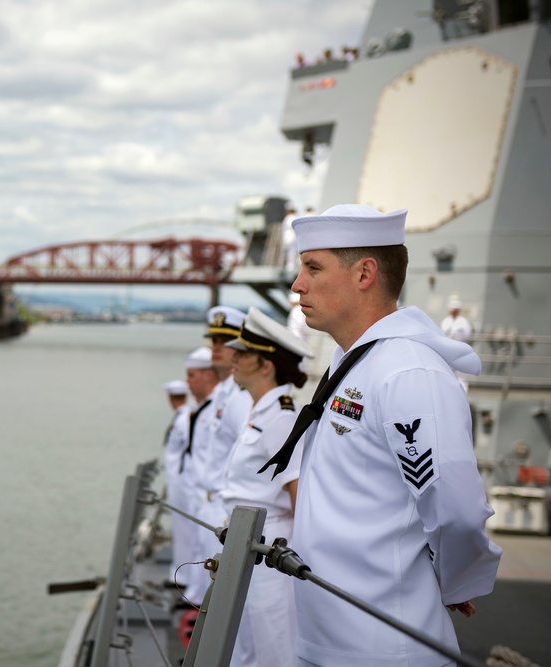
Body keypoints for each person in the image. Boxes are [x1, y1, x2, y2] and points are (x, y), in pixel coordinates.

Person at [284, 204, 502, 666]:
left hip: (385, 648)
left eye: (313, 268)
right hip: (327, 638)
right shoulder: (358, 363)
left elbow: (456, 509)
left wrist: (455, 581)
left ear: (365, 273)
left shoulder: (408, 371)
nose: (297, 285)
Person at [220, 306, 313, 667]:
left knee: (273, 652)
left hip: (267, 554)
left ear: (265, 366)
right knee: (245, 650)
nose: (233, 358)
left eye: (242, 354)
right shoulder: (262, 412)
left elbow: (298, 497)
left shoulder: (280, 419)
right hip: (246, 550)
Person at [180, 306, 251, 606]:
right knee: (212, 596)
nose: (217, 347)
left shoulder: (242, 397)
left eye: (226, 340)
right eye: (214, 340)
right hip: (206, 504)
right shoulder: (223, 393)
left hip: (224, 511)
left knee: (226, 605)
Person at [161, 379, 193, 586]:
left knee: (183, 530)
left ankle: (183, 576)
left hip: (182, 482)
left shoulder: (184, 420)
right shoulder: (184, 417)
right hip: (178, 480)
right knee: (181, 529)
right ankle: (181, 573)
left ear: (171, 398)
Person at [440, 296, 473, 392]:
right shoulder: (445, 321)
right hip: (447, 352)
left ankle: (463, 394)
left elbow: (468, 335)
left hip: (459, 351)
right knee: (447, 373)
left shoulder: (463, 322)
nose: (452, 311)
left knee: (461, 376)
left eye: (455, 309)